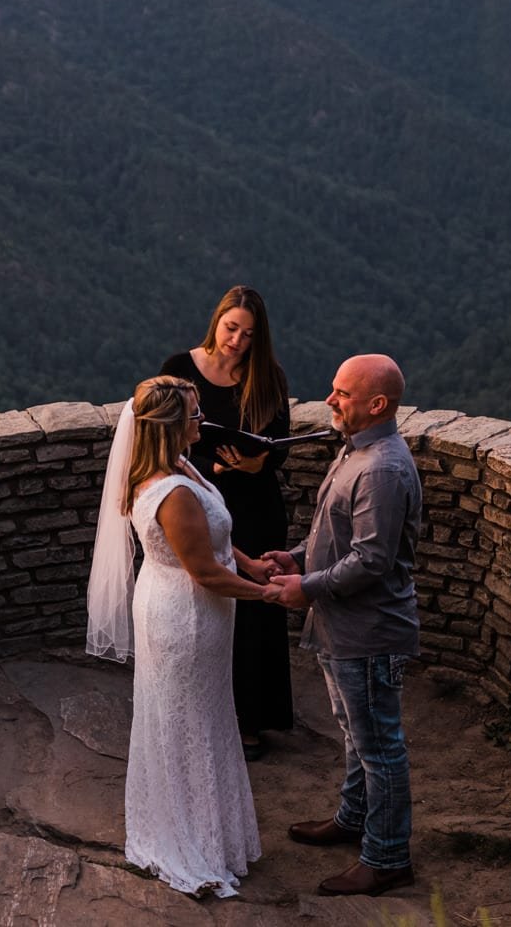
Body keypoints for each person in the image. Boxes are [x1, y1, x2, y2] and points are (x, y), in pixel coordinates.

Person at [85, 375, 269, 898]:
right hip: (185, 617)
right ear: (171, 426)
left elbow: (218, 547)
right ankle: (190, 840)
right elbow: (206, 574)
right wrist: (272, 597)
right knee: (189, 722)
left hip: (182, 606)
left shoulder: (176, 469)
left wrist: (253, 565)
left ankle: (206, 830)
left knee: (199, 718)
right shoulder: (173, 493)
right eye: (194, 414)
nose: (202, 422)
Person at [262, 353, 422, 898]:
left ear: (377, 404)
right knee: (358, 736)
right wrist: (296, 557)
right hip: (342, 627)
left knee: (379, 746)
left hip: (369, 632)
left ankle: (387, 857)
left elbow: (371, 561)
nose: (330, 400)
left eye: (342, 394)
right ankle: (353, 820)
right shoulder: (355, 450)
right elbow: (337, 537)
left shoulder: (381, 467)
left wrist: (304, 587)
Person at [160, 286, 293, 759]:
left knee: (255, 618)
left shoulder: (267, 376)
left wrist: (259, 464)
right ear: (216, 320)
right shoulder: (179, 368)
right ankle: (205, 712)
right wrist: (212, 467)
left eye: (248, 334)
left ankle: (254, 719)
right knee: (205, 606)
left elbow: (280, 444)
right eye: (231, 327)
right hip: (197, 498)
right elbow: (161, 434)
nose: (237, 340)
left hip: (254, 503)